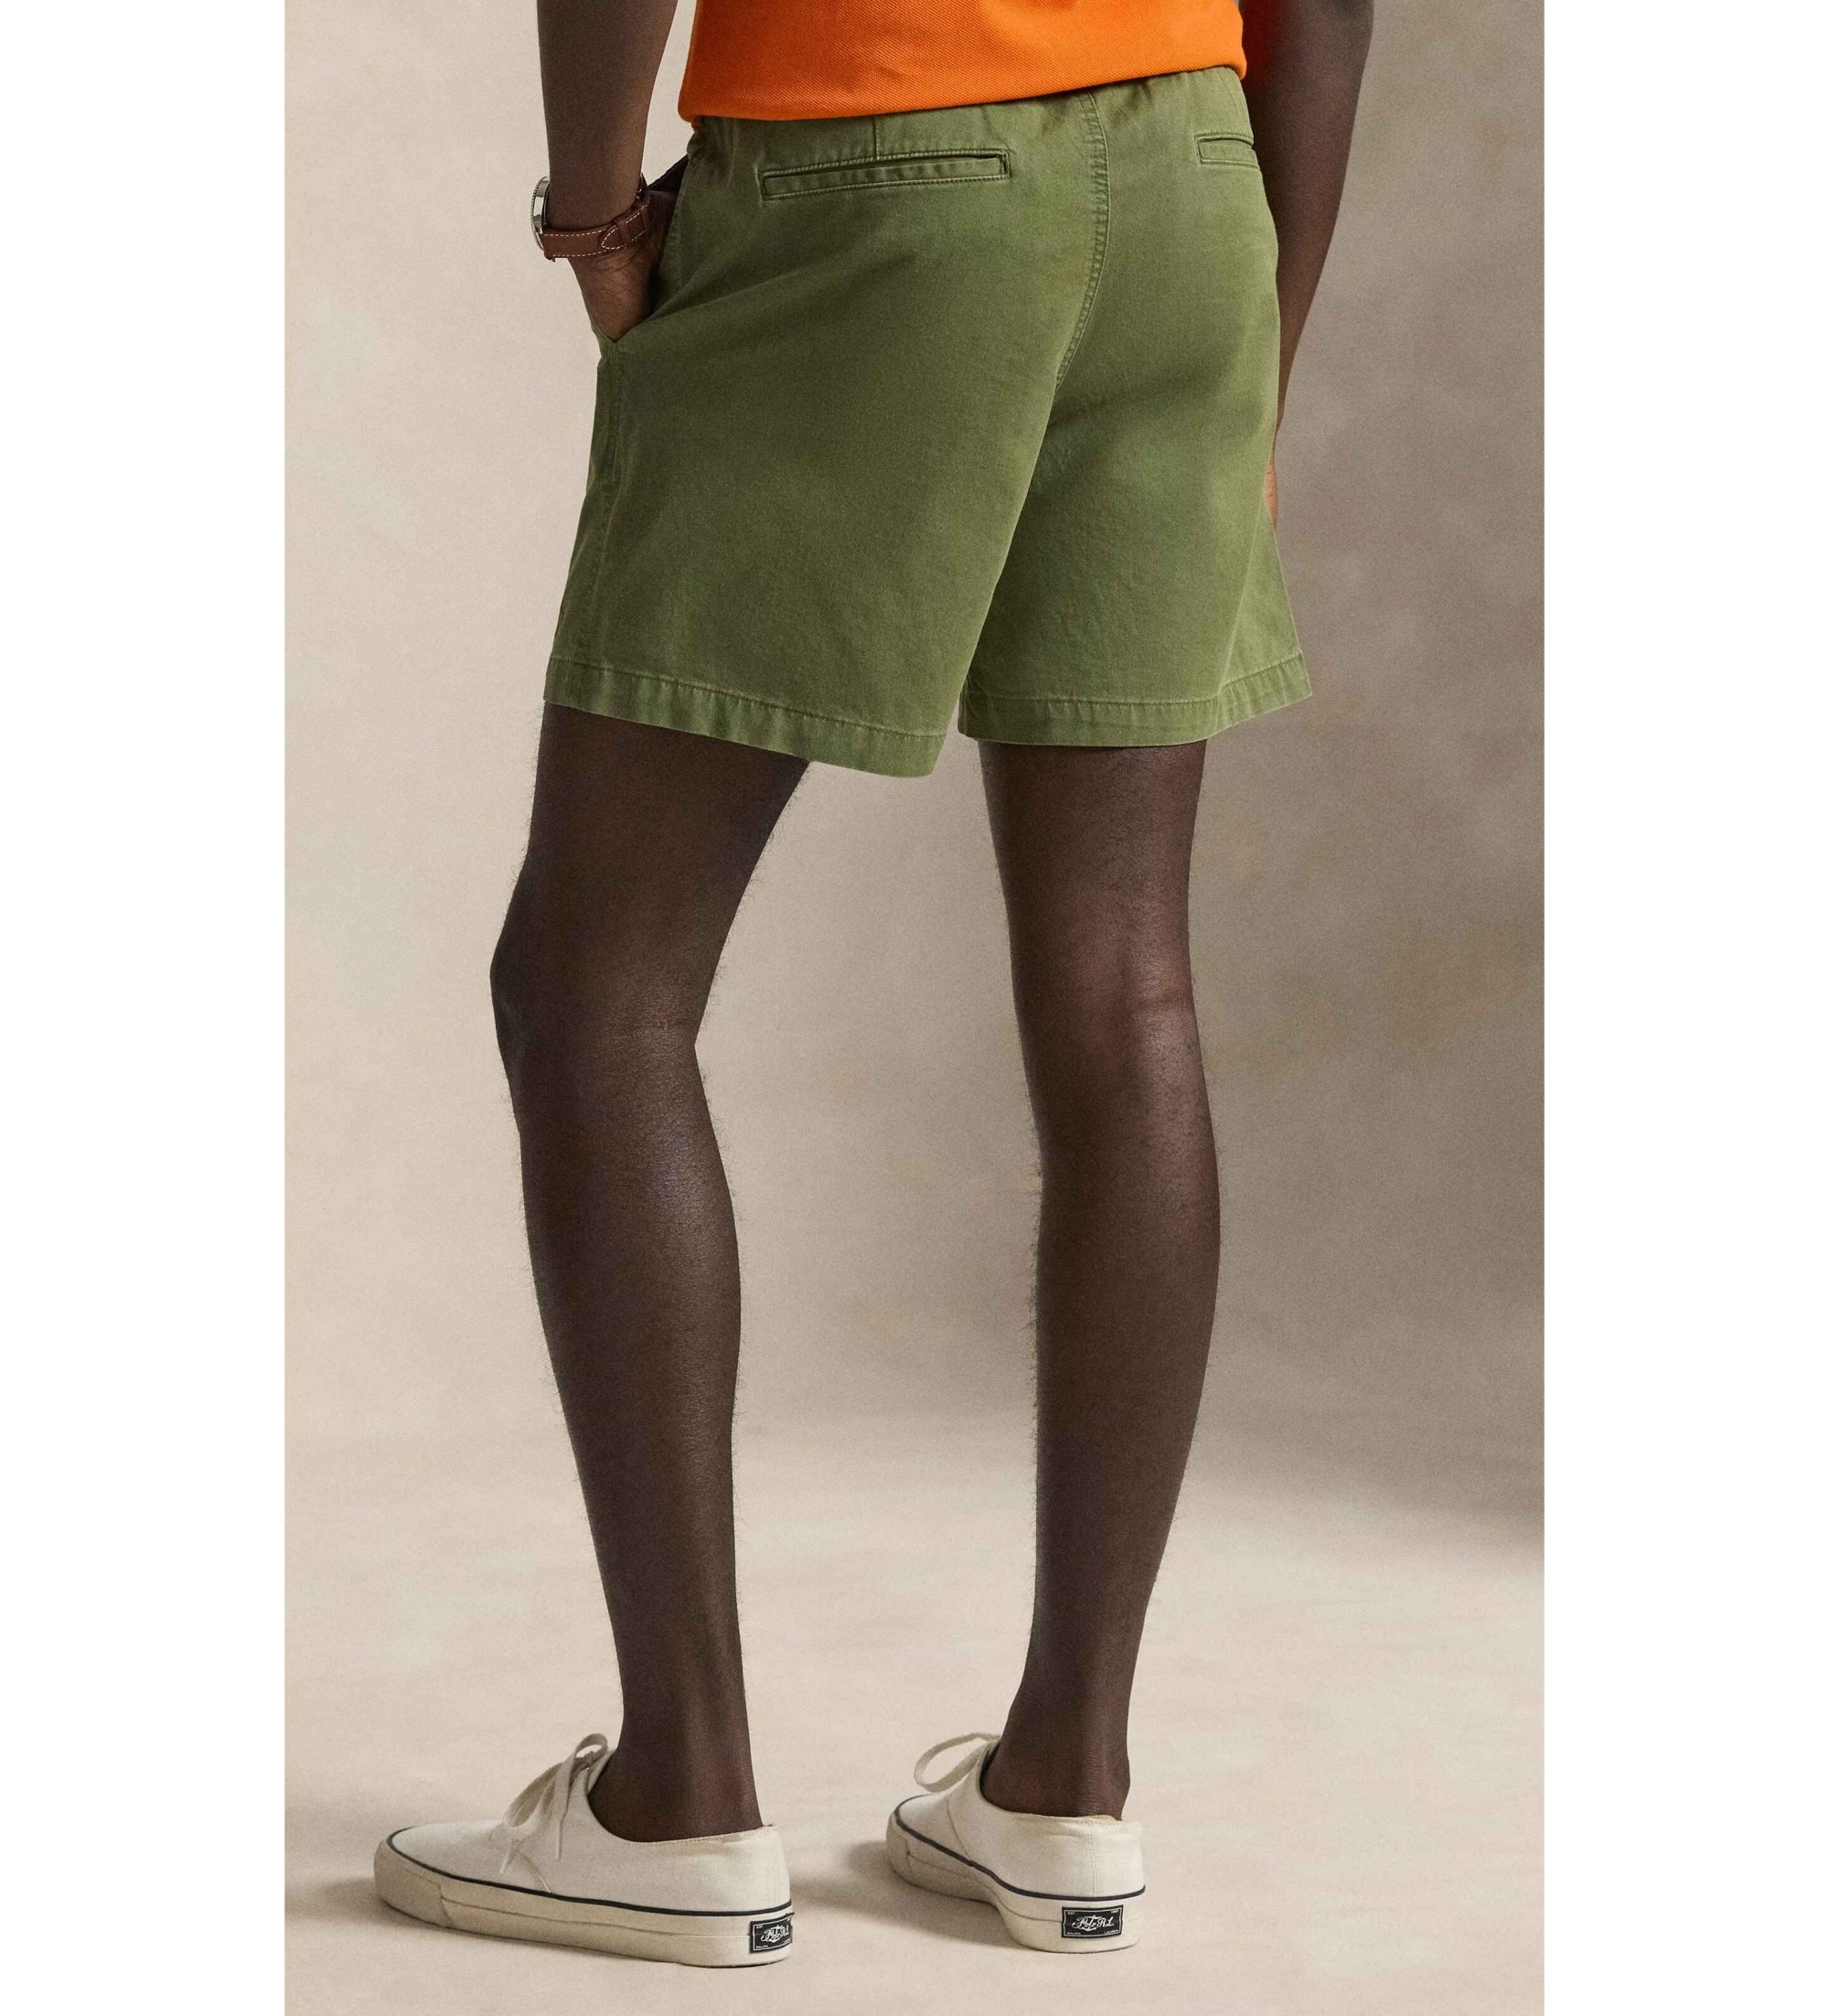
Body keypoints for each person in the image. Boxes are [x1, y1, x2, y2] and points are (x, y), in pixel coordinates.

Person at [374, 0, 1372, 1968]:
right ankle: (1063, 1787)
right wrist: (1260, 336)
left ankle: (678, 1801)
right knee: (1127, 996)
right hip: (1196, 183)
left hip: (873, 166)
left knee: (598, 987)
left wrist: (597, 215)